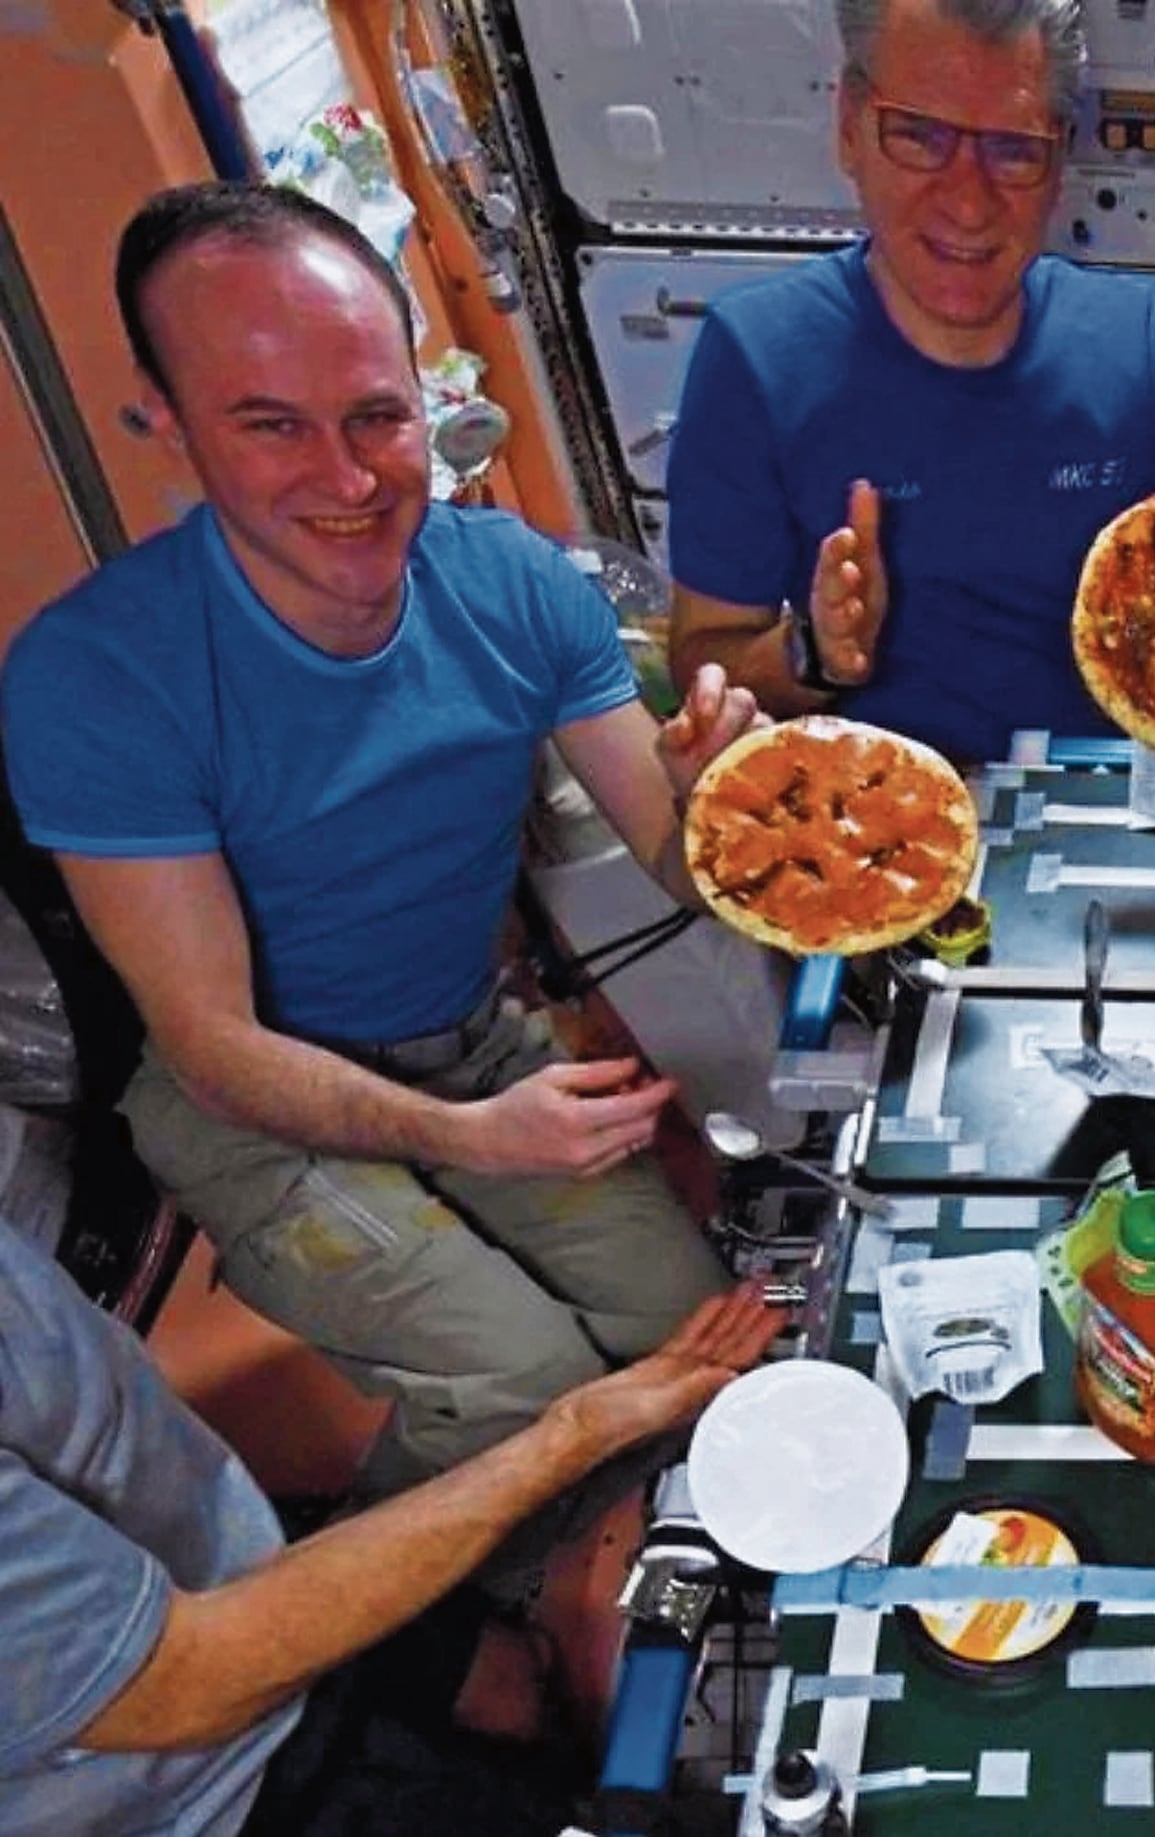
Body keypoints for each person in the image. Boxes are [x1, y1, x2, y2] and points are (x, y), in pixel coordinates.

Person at [0, 182, 752, 1578]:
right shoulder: (95, 678)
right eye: (270, 425)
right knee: (525, 1379)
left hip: (471, 1042)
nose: (349, 481)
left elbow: (679, 853)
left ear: (427, 396)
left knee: (691, 1328)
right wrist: (482, 1142)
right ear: (163, 421)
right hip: (254, 1108)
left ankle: (570, 1551)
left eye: (377, 417)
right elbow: (215, 1051)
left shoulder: (515, 582)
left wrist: (730, 801)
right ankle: (398, 1639)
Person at [664, 0, 1155, 762]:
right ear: (848, 127)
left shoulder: (1145, 342)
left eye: (1013, 149)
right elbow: (706, 654)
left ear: (1060, 159)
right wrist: (817, 651)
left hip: (1118, 806)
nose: (970, 201)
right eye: (918, 136)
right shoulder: (757, 354)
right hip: (875, 826)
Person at [0, 1217, 781, 1837]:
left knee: (513, 1685)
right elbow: (189, 1681)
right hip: (224, 1789)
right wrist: (573, 1433)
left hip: (259, 1567)